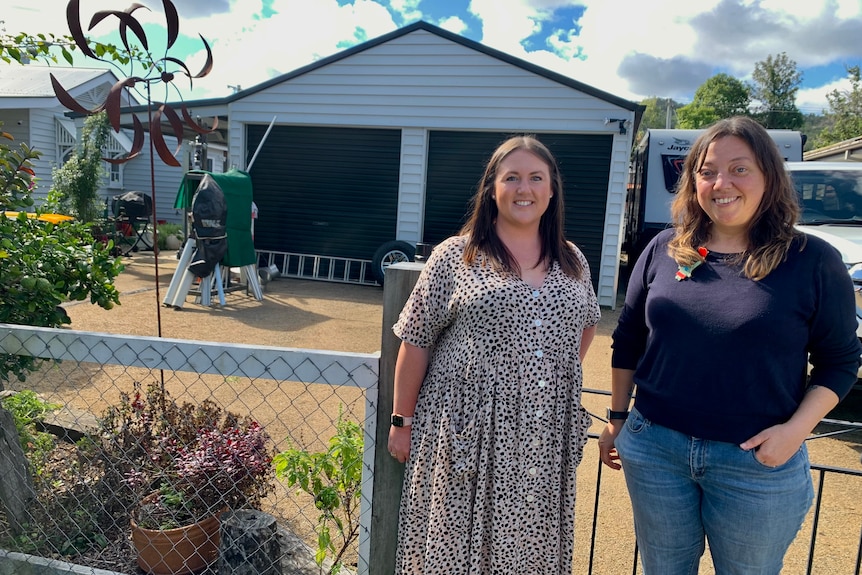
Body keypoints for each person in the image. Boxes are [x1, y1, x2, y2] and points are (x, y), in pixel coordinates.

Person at [598, 116, 861, 574]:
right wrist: (618, 418)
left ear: (768, 178)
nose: (722, 183)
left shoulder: (813, 260)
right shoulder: (663, 247)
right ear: (693, 181)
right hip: (656, 450)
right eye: (707, 171)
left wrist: (795, 431)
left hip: (755, 463)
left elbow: (840, 361)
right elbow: (628, 339)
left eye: (740, 168)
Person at [388, 135, 601, 574]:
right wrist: (401, 421)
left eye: (536, 178)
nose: (525, 189)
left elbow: (587, 323)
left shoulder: (573, 259)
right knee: (456, 539)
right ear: (492, 188)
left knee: (529, 541)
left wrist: (541, 377)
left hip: (543, 434)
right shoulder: (456, 255)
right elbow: (416, 339)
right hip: (466, 429)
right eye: (512, 178)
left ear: (552, 189)